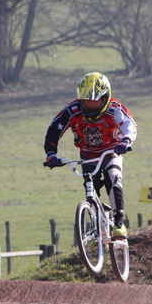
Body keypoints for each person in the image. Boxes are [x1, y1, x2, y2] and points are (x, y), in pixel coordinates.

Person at [44, 72, 137, 238]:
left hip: (111, 151)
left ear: (105, 97)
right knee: (90, 187)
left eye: (95, 100)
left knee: (112, 177)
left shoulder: (114, 109)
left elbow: (129, 124)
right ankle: (97, 228)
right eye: (87, 100)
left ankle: (118, 222)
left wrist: (126, 141)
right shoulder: (72, 110)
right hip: (88, 153)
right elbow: (54, 129)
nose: (91, 105)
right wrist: (51, 153)